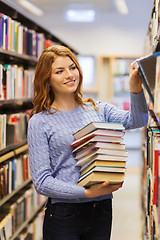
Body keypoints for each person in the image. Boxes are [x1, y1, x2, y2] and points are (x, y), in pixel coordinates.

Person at [27, 45, 148, 240]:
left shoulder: (98, 109)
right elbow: (42, 182)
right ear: (47, 79)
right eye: (60, 71)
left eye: (72, 67)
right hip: (64, 215)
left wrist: (135, 88)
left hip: (101, 210)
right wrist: (87, 193)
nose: (69, 74)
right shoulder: (39, 122)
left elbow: (138, 120)